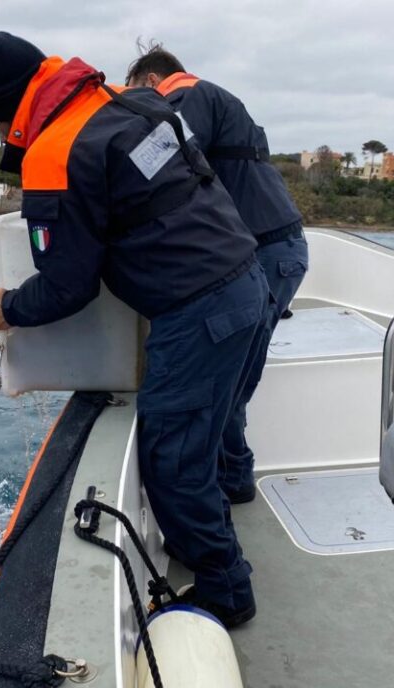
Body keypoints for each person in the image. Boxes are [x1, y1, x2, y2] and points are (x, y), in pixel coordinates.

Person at [0, 31, 270, 627]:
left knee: (172, 458)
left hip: (200, 311)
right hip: (247, 280)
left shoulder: (54, 151)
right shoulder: (129, 102)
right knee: (199, 442)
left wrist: (10, 308)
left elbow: (68, 284)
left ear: (9, 113)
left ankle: (226, 591)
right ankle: (199, 548)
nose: (2, 137)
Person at [127, 44, 308, 504]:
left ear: (152, 82)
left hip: (265, 254)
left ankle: (231, 480)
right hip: (272, 251)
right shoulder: (216, 101)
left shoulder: (188, 94)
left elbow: (163, 157)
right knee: (230, 376)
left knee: (229, 379)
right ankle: (232, 477)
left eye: (138, 97)